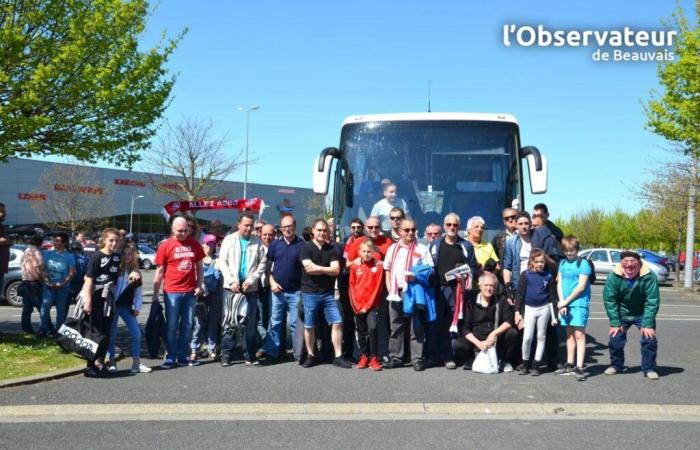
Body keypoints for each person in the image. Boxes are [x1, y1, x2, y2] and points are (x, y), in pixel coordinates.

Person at [153, 217, 205, 369]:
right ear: (172, 230)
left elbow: (200, 266)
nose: (183, 234)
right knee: (172, 326)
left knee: (188, 325)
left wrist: (199, 285)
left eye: (185, 230)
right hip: (172, 292)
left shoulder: (194, 243)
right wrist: (156, 294)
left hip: (190, 292)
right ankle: (170, 356)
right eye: (179, 231)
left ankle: (183, 356)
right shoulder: (165, 246)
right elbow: (160, 270)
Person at [299, 219, 352, 368]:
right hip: (309, 293)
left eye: (325, 230)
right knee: (309, 326)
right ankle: (311, 355)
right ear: (313, 231)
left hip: (328, 294)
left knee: (337, 322)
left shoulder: (332, 250)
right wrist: (325, 269)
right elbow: (308, 268)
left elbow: (336, 270)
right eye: (319, 230)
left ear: (328, 232)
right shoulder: (306, 248)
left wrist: (319, 268)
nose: (322, 233)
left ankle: (338, 356)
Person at [428, 213, 478, 369]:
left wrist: (465, 273)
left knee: (453, 323)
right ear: (444, 226)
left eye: (455, 225)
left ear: (459, 227)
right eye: (449, 225)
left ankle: (449, 356)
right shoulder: (435, 245)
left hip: (457, 291)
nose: (452, 227)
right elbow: (429, 266)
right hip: (438, 290)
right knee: (435, 323)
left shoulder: (466, 245)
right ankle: (433, 356)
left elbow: (474, 268)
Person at [383, 218, 434, 371]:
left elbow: (430, 270)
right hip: (396, 292)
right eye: (407, 230)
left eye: (413, 230)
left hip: (414, 293)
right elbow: (387, 269)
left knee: (416, 325)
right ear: (399, 232)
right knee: (396, 326)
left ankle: (417, 358)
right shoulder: (392, 249)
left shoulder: (422, 248)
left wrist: (416, 276)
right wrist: (390, 288)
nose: (410, 233)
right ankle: (396, 357)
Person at [218, 213, 267, 366]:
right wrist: (231, 281)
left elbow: (262, 264)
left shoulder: (257, 242)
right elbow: (222, 262)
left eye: (251, 225)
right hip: (232, 288)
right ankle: (226, 356)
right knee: (230, 323)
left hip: (250, 288)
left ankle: (249, 355)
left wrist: (252, 280)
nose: (248, 228)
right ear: (238, 224)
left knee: (250, 324)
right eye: (246, 225)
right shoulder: (229, 240)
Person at [603, 250, 660, 380]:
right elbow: (610, 300)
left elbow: (652, 301)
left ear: (639, 263)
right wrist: (615, 322)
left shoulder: (649, 276)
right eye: (625, 262)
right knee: (615, 339)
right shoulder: (613, 276)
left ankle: (649, 368)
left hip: (642, 312)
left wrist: (648, 323)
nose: (629, 265)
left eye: (632, 261)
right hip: (621, 313)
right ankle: (616, 365)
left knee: (649, 340)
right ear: (621, 263)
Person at [257, 215, 305, 361]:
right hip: (277, 291)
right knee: (275, 322)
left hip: (295, 291)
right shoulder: (275, 245)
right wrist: (271, 282)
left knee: (295, 324)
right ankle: (272, 352)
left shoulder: (302, 245)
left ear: (295, 226)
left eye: (289, 226)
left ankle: (299, 353)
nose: (287, 229)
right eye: (284, 227)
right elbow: (267, 268)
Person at [455, 272, 518, 372]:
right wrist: (479, 343)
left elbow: (509, 321)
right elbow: (465, 329)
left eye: (492, 286)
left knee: (512, 333)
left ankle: (504, 361)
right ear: (479, 286)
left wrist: (494, 334)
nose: (489, 288)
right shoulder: (471, 301)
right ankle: (472, 360)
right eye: (486, 285)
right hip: (477, 340)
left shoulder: (501, 300)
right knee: (458, 344)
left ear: (496, 287)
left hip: (496, 340)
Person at [81, 228, 122, 377]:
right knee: (94, 332)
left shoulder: (118, 257)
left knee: (106, 332)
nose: (114, 243)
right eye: (111, 240)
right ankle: (90, 365)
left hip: (108, 298)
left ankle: (100, 362)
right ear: (104, 240)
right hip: (95, 296)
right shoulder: (97, 256)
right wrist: (88, 301)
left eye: (117, 241)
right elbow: (89, 279)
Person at [107, 244, 152, 374]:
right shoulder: (114, 270)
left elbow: (138, 293)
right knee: (112, 334)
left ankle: (136, 362)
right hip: (113, 306)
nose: (127, 256)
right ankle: (111, 361)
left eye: (129, 254)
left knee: (136, 333)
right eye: (124, 254)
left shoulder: (136, 273)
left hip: (126, 307)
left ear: (133, 256)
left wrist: (137, 307)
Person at [514, 249, 557, 376]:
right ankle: (525, 364)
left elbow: (552, 297)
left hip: (544, 309)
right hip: (529, 309)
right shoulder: (525, 275)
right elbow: (519, 295)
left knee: (541, 336)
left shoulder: (548, 276)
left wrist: (555, 316)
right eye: (537, 261)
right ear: (531, 261)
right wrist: (517, 311)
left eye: (542, 262)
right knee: (527, 337)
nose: (539, 264)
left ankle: (536, 365)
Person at [555, 236, 592, 381]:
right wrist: (562, 302)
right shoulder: (562, 263)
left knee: (579, 336)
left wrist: (566, 302)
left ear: (577, 250)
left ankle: (580, 367)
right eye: (567, 251)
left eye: (572, 250)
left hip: (579, 304)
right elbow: (559, 283)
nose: (569, 253)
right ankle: (569, 364)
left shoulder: (583, 264)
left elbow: (581, 287)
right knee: (569, 335)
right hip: (565, 304)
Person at [349, 240, 384, 371]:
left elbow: (377, 289)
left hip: (372, 305)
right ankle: (363, 356)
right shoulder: (354, 267)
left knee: (372, 328)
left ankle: (374, 357)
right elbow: (351, 286)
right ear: (359, 252)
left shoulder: (378, 267)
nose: (366, 253)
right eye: (363, 251)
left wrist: (367, 306)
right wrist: (356, 305)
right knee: (361, 330)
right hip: (358, 305)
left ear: (373, 252)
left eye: (369, 251)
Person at [190, 235, 223, 360]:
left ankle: (211, 348)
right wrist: (202, 287)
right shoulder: (198, 259)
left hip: (214, 295)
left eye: (213, 244)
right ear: (203, 244)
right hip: (201, 294)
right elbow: (196, 275)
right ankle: (194, 348)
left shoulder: (217, 260)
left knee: (213, 322)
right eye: (208, 243)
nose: (210, 246)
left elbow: (221, 277)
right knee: (199, 323)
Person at [39, 232, 76, 337]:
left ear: (64, 243)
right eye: (54, 240)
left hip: (63, 287)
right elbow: (42, 269)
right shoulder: (48, 254)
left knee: (61, 309)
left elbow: (71, 272)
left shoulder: (69, 256)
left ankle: (58, 331)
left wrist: (62, 283)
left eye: (57, 240)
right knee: (45, 307)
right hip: (49, 286)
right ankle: (43, 329)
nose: (54, 242)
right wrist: (47, 281)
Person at [20, 234, 45, 334]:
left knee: (27, 307)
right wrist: (42, 280)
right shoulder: (37, 252)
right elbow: (39, 269)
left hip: (25, 281)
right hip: (34, 283)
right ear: (40, 243)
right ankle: (45, 327)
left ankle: (26, 328)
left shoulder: (26, 251)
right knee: (41, 307)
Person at [0, 203, 13, 305]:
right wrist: (4, 241)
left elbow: (9, 241)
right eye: (1, 212)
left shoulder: (2, 226)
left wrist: (7, 241)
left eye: (4, 212)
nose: (3, 214)